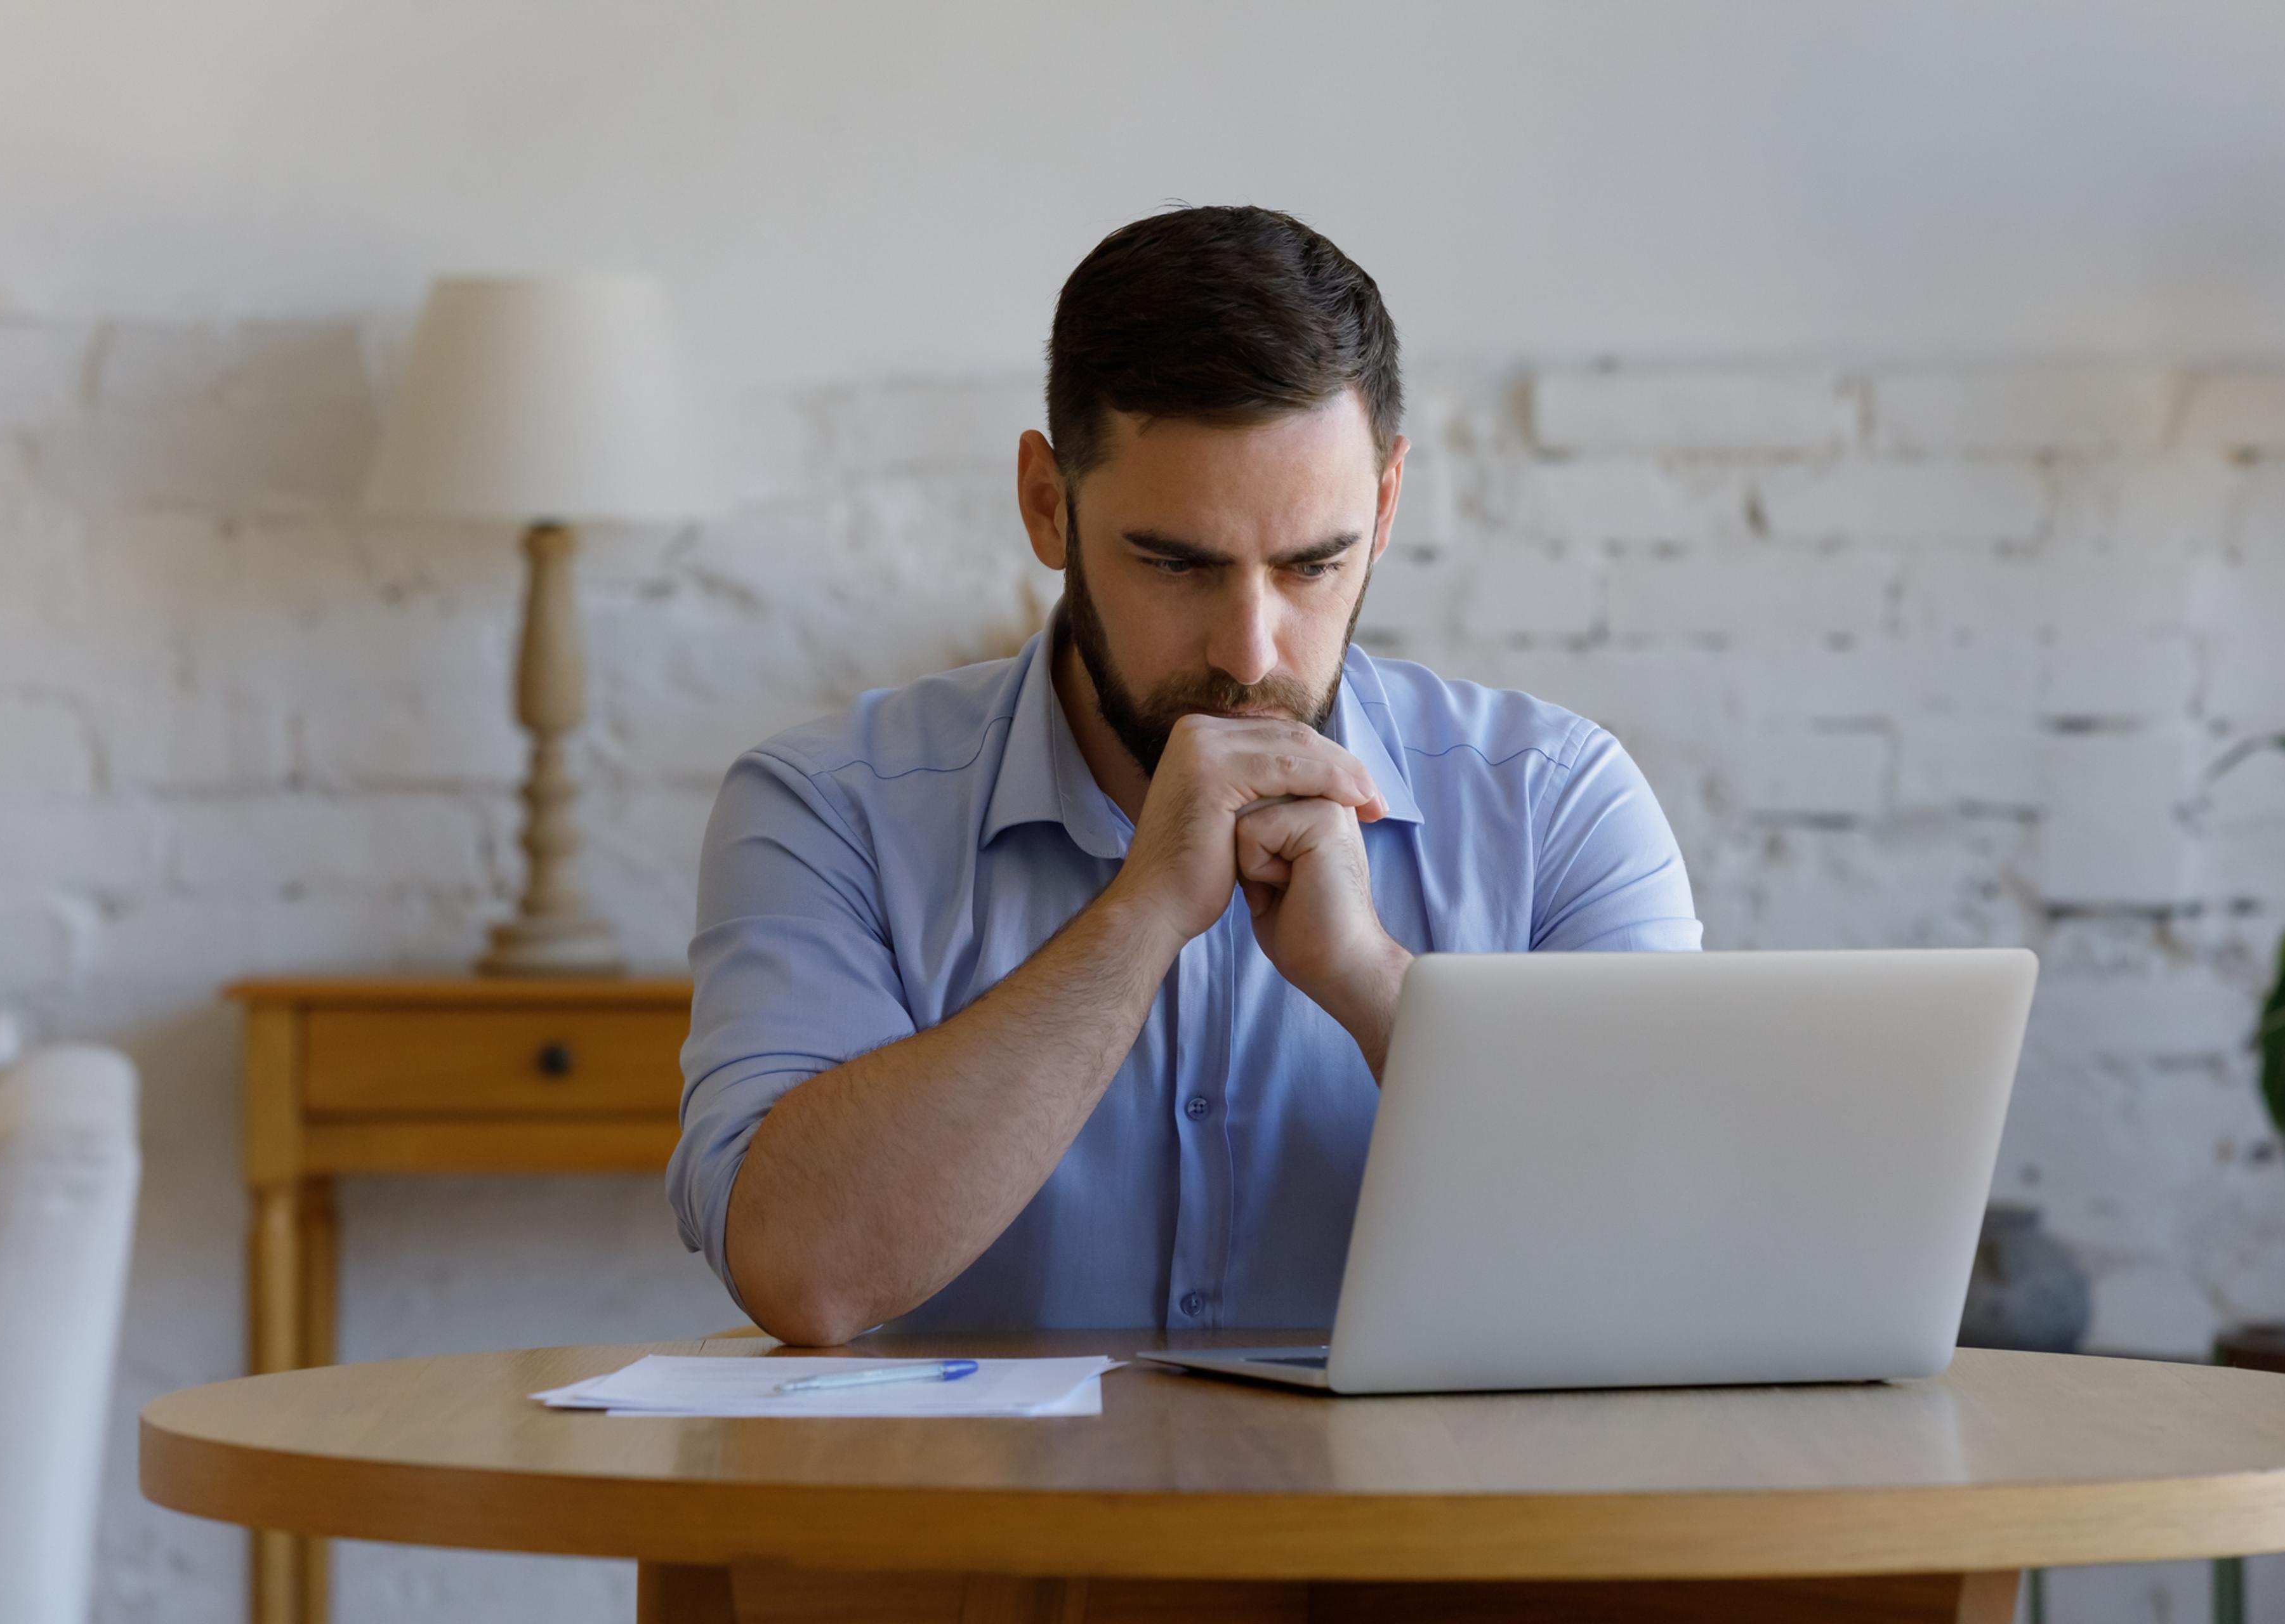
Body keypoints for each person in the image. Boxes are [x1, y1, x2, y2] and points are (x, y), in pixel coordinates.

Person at [669, 206, 1701, 1346]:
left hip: (1418, 1523)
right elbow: (805, 1273)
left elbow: (1672, 1252)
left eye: (1315, 564)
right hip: (972, 1526)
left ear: (1389, 504)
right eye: (1176, 564)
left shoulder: (1556, 805)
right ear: (1048, 505)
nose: (1250, 654)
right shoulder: (830, 811)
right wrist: (1140, 916)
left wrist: (1368, 980)